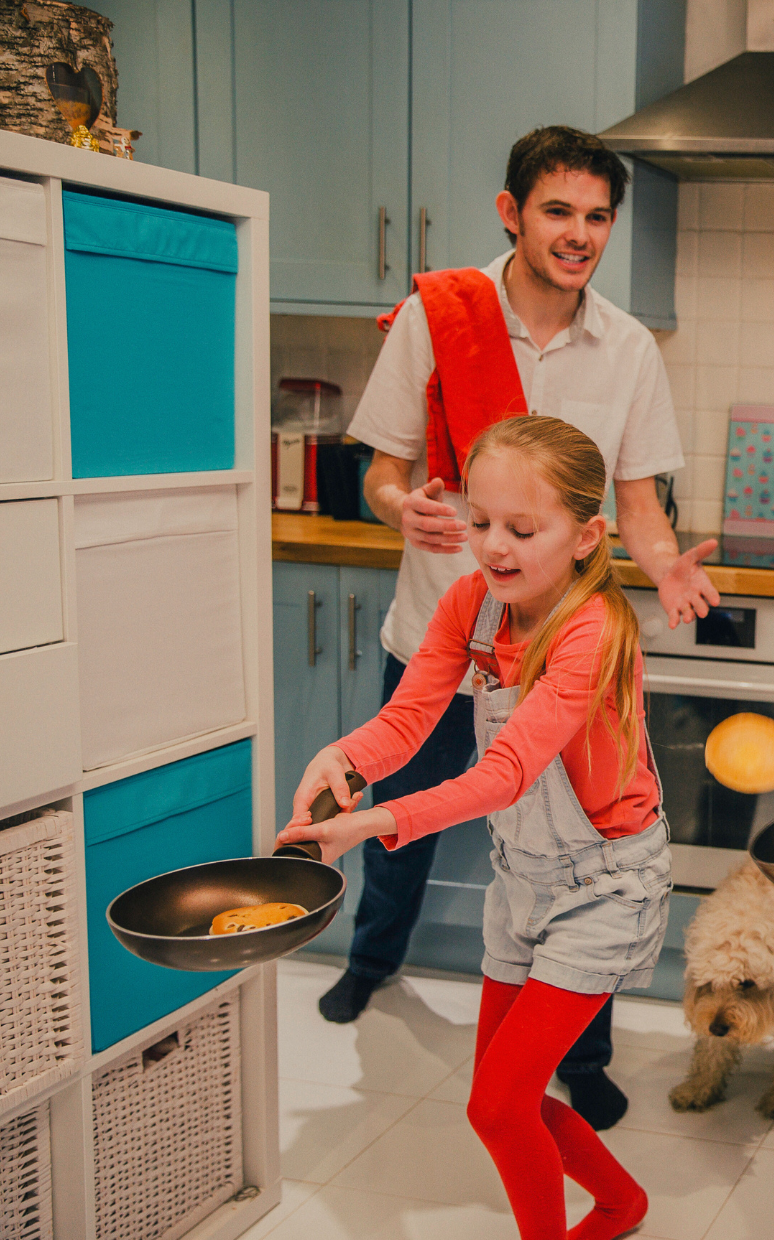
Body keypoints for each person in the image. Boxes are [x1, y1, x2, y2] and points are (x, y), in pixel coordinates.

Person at [331, 126, 717, 1129]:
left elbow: (633, 500)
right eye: (558, 211)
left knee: (573, 856)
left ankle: (579, 1052)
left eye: (596, 217)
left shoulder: (628, 347)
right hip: (440, 629)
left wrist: (665, 558)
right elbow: (381, 465)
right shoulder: (437, 314)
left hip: (551, 659)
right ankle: (371, 963)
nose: (578, 234)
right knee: (403, 819)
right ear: (511, 212)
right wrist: (393, 505)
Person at [279, 416, 669, 1240]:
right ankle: (623, 1203)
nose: (495, 547)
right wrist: (343, 758)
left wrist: (377, 820)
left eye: (523, 530)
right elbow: (407, 721)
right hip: (523, 876)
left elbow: (503, 776)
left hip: (607, 886)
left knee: (497, 1102)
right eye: (482, 521)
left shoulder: (591, 632)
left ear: (585, 536)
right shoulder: (470, 604)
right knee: (499, 1105)